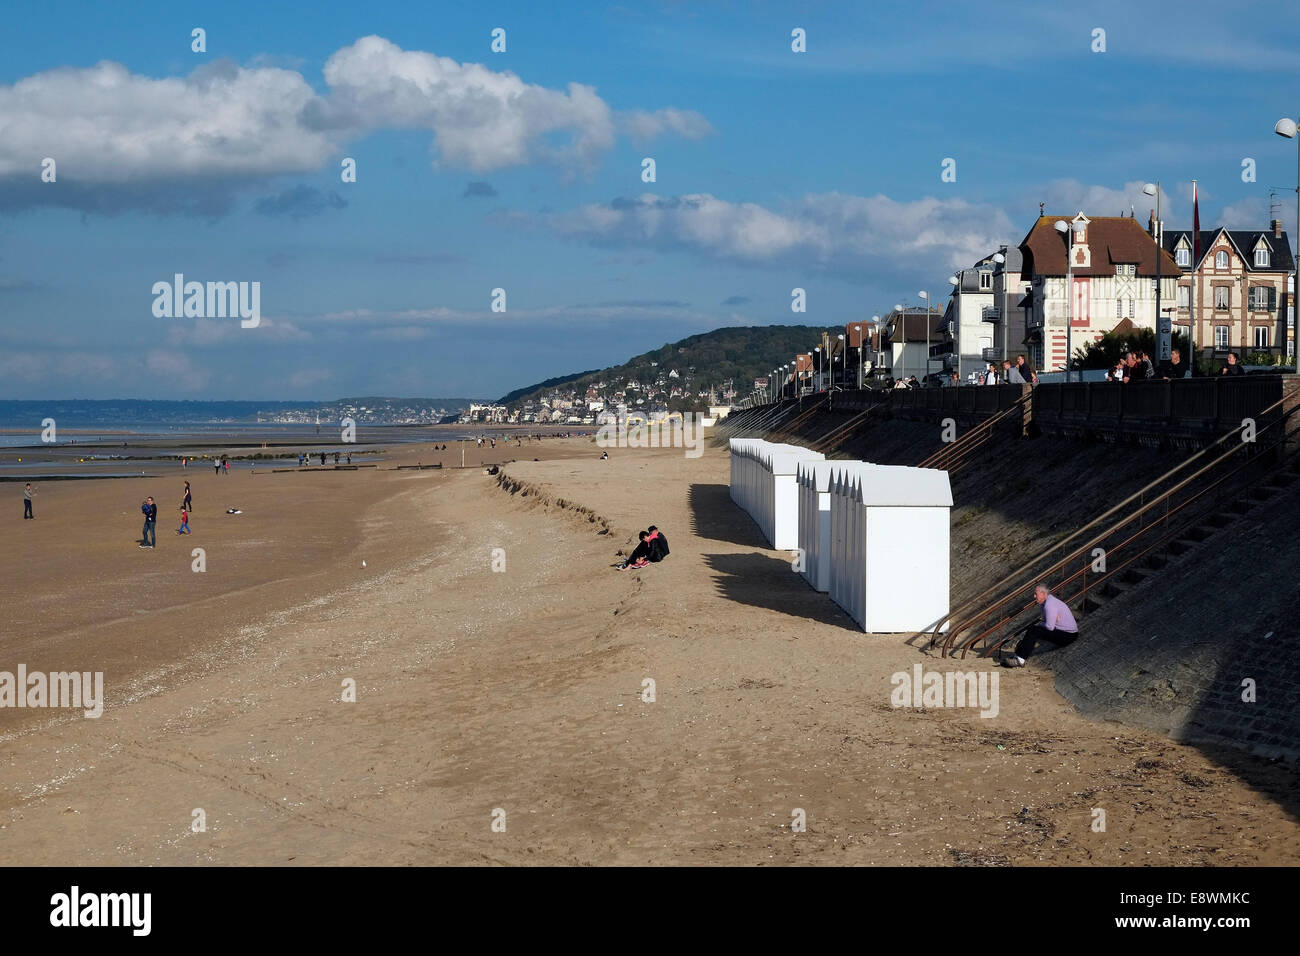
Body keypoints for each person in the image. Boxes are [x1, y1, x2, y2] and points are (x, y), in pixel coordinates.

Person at [1004, 583, 1078, 667]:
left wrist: (1042, 623)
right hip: (1064, 632)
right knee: (1033, 630)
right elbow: (1047, 622)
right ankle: (1017, 656)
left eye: (1036, 594)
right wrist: (1046, 623)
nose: (1034, 596)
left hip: (1068, 636)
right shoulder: (1045, 603)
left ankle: (1020, 660)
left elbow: (1049, 627)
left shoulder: (1049, 605)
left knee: (1034, 631)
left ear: (1043, 594)